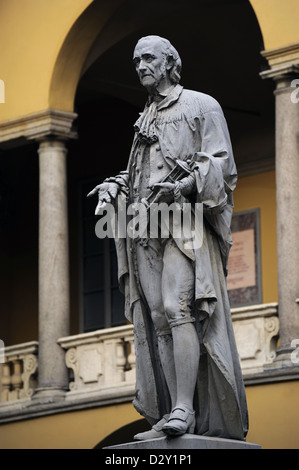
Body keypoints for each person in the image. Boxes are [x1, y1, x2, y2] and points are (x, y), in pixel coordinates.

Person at [88, 35, 248, 441]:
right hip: (145, 226)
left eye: (148, 59)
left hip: (183, 222)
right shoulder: (146, 117)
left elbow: (222, 166)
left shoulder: (200, 105)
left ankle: (183, 408)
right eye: (136, 60)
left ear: (169, 62)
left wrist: (184, 187)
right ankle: (170, 407)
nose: (140, 66)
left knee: (178, 309)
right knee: (158, 316)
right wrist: (116, 185)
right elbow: (142, 172)